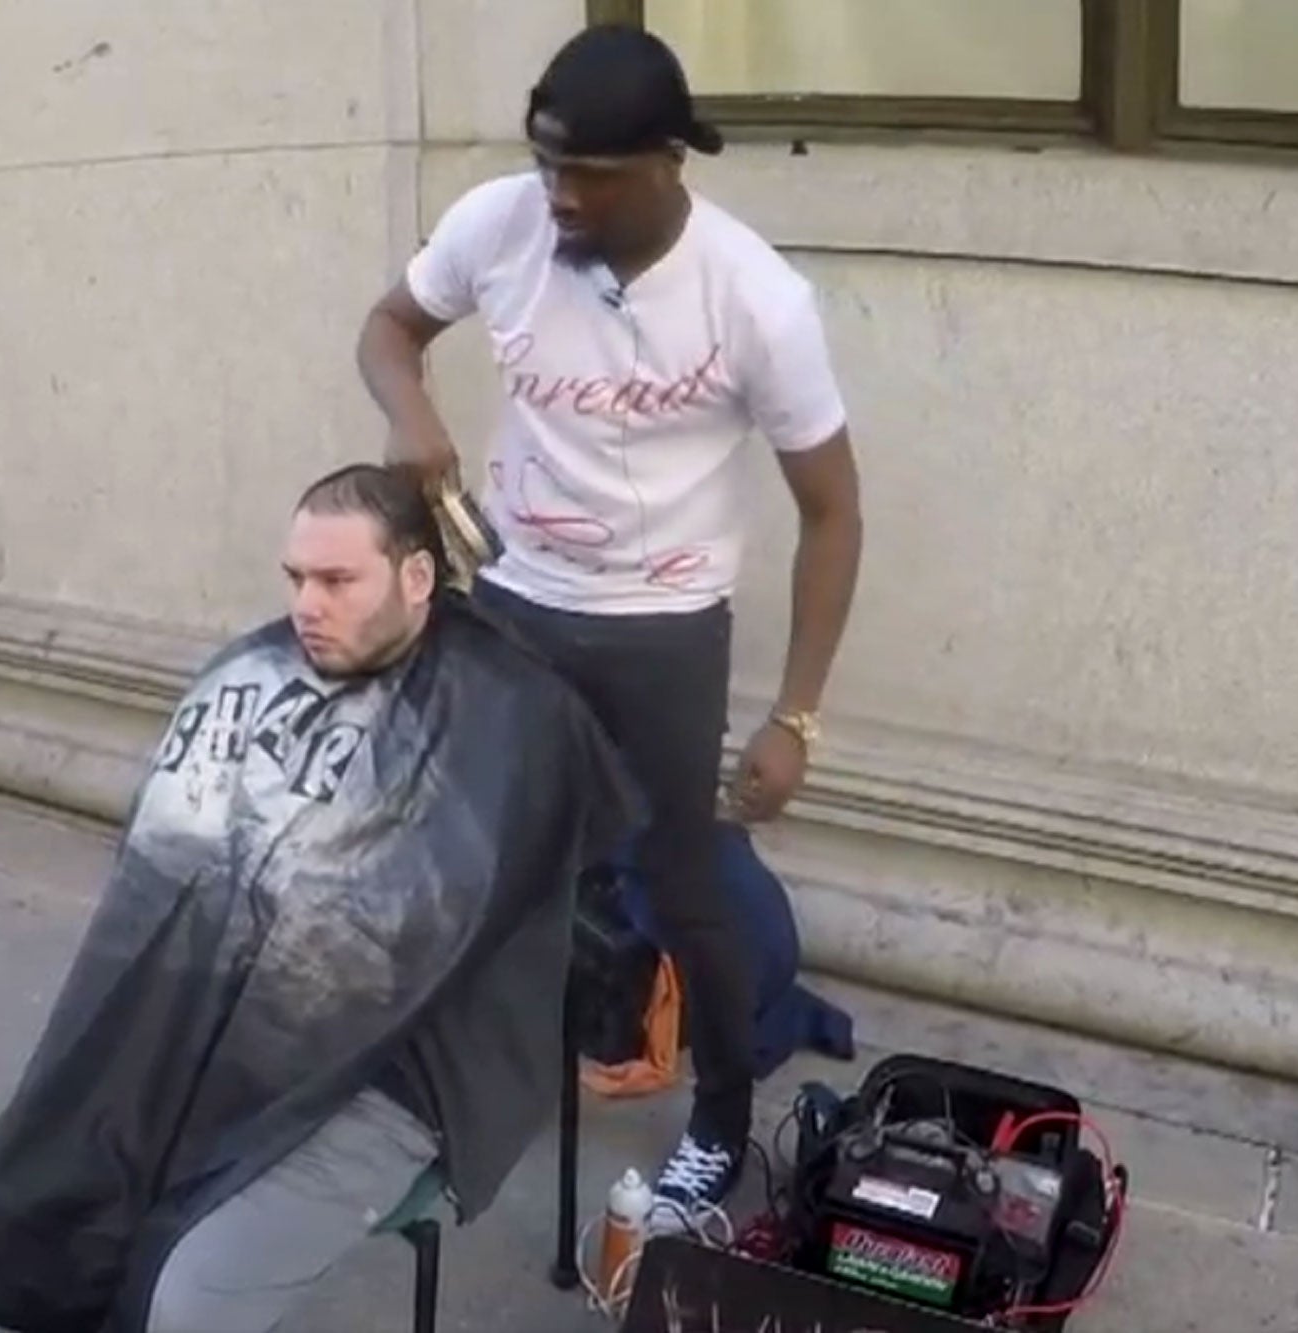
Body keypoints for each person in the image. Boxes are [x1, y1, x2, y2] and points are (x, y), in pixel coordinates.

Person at [0, 464, 638, 1333]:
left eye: (337, 580)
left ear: (415, 577)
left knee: (187, 1302)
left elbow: (430, 925)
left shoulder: (510, 719)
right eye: (296, 578)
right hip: (210, 1016)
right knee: (20, 1210)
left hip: (403, 1063)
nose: (307, 606)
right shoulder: (255, 670)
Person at [354, 23, 865, 1218]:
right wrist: (412, 413)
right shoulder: (499, 224)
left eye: (585, 175)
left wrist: (796, 716)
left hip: (664, 625)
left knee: (682, 887)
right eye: (545, 166)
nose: (557, 196)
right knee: (479, 859)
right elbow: (388, 329)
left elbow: (832, 514)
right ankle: (457, 1085)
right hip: (518, 597)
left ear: (665, 162)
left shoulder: (756, 299)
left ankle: (722, 1119)